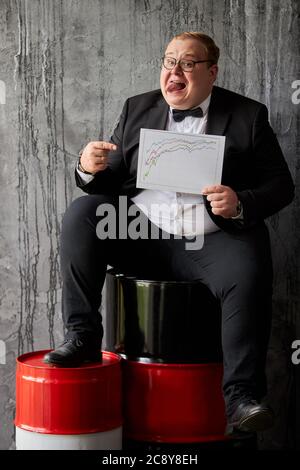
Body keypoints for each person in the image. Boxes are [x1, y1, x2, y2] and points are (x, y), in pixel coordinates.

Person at [44, 32, 294, 435]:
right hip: (139, 228)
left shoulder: (248, 115)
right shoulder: (138, 107)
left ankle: (241, 398)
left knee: (249, 271)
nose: (174, 71)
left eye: (188, 63)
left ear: (212, 72)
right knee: (82, 214)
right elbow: (113, 179)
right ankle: (83, 336)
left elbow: (281, 186)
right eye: (168, 61)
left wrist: (240, 200)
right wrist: (89, 168)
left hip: (210, 234)